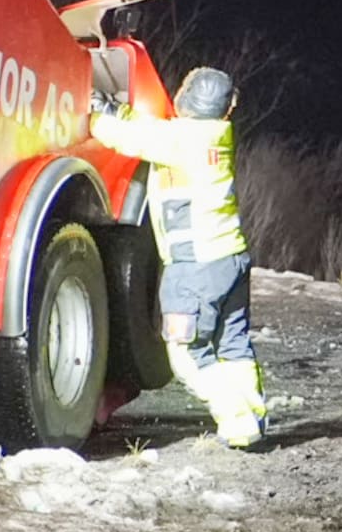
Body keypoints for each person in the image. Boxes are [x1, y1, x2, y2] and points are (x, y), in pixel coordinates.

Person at [90, 67, 268, 447]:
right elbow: (154, 132)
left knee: (186, 352)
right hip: (230, 259)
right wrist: (119, 112)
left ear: (186, 98)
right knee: (233, 346)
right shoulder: (213, 135)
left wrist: (96, 114)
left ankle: (237, 420)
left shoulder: (181, 141)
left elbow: (130, 138)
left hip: (195, 269)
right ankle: (253, 413)